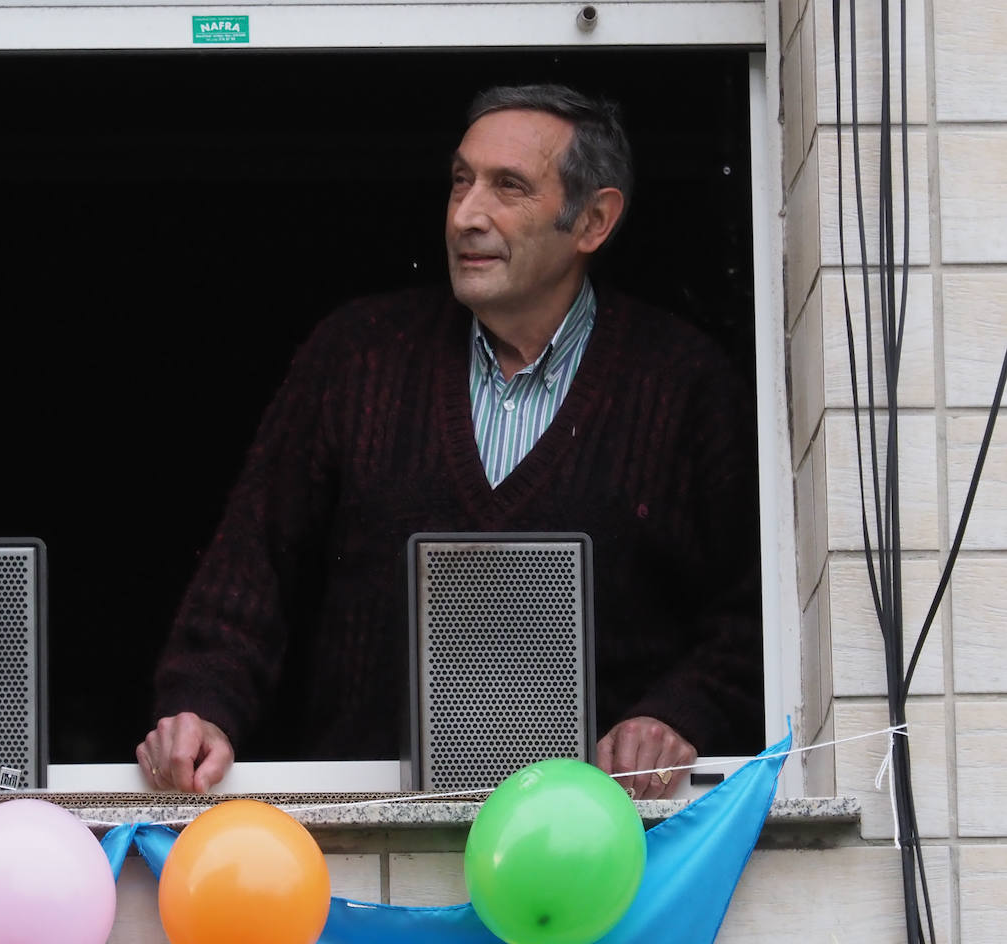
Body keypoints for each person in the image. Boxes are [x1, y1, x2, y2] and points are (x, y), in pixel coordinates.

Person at [137, 82, 764, 799]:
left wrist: (676, 714)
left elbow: (755, 619)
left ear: (594, 220)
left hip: (602, 852)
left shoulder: (682, 382)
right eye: (461, 181)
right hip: (364, 842)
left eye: (508, 187)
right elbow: (252, 572)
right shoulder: (357, 356)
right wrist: (201, 709)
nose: (467, 215)